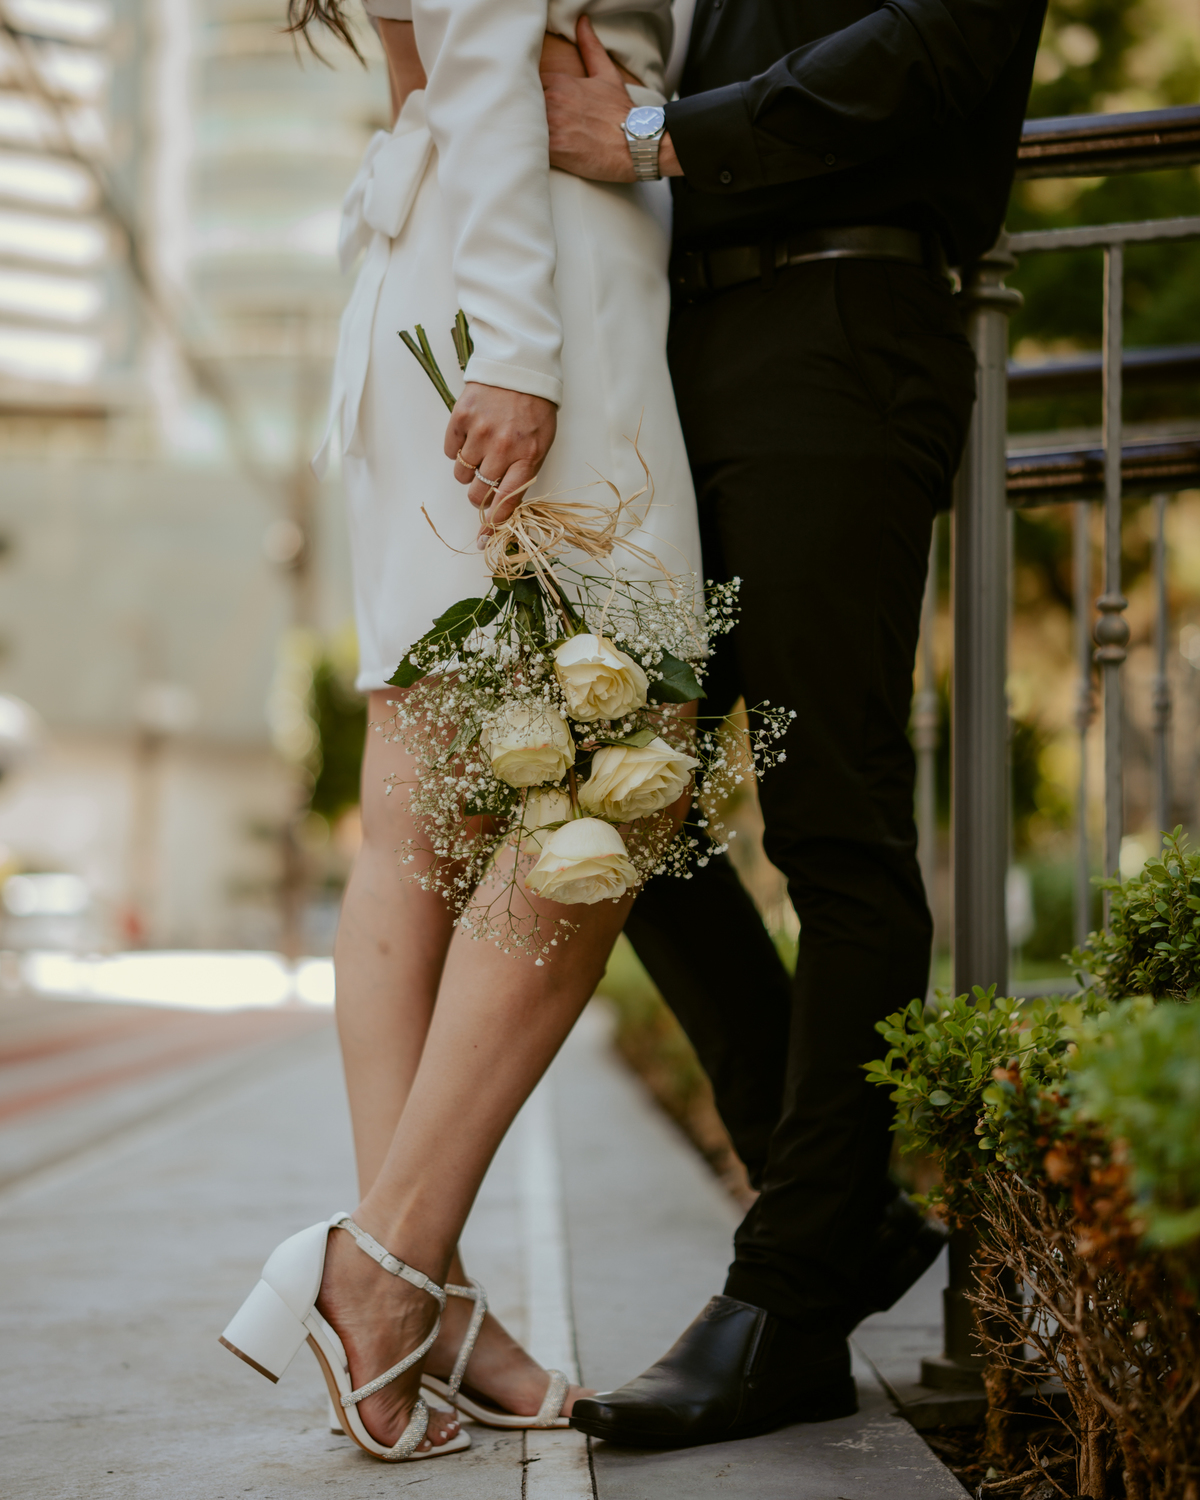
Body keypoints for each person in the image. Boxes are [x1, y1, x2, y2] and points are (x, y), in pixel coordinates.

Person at [546, 0, 1047, 1449]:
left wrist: (656, 138)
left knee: (832, 813)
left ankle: (786, 1303)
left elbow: (926, 51)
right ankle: (833, 1220)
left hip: (844, 328)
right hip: (673, 347)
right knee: (608, 801)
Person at [218, 0, 704, 1464]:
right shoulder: (526, 321)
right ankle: (390, 1269)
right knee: (629, 763)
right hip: (527, 293)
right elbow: (488, 47)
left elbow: (436, 54)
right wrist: (522, 350)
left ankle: (418, 1292)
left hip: (464, 258)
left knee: (421, 804)